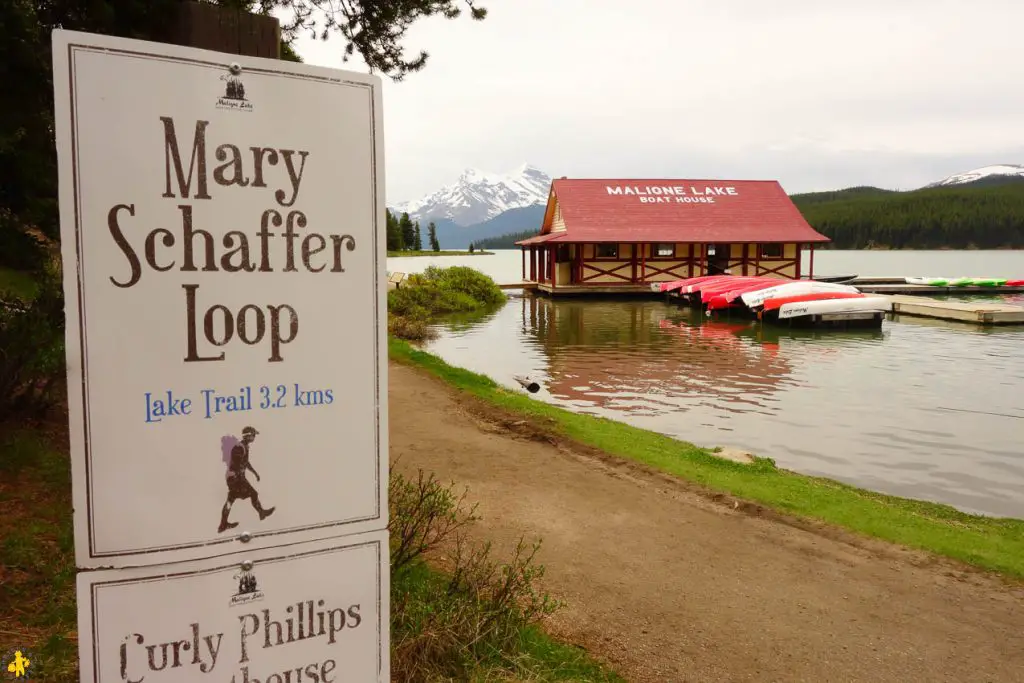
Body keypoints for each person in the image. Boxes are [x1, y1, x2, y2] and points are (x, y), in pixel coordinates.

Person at [217, 426, 275, 533]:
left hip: (235, 477)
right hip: (235, 477)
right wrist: (239, 479)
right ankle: (261, 513)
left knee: (231, 500)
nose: (254, 437)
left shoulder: (244, 447)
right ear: (248, 436)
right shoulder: (239, 447)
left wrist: (254, 473)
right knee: (252, 494)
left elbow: (245, 462)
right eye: (253, 435)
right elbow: (236, 464)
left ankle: (223, 525)